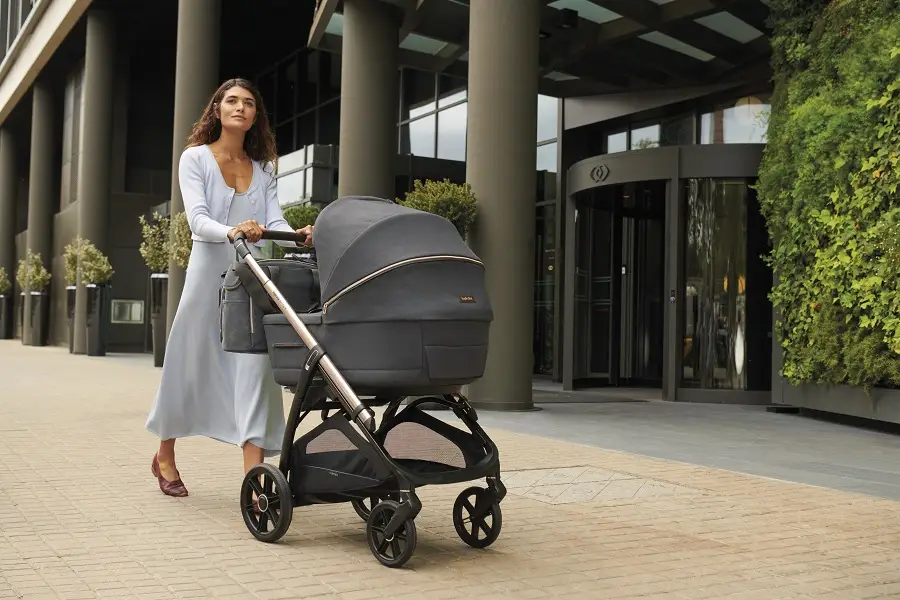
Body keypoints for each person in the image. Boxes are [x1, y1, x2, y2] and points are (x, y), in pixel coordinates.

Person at [145, 78, 313, 497]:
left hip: (250, 279)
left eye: (248, 103)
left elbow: (273, 220)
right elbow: (198, 220)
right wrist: (233, 230)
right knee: (189, 364)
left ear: (256, 116)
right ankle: (164, 454)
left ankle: (254, 481)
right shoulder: (195, 158)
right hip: (206, 277)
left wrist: (298, 236)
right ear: (217, 110)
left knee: (255, 367)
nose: (240, 107)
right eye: (232, 101)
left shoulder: (264, 169)